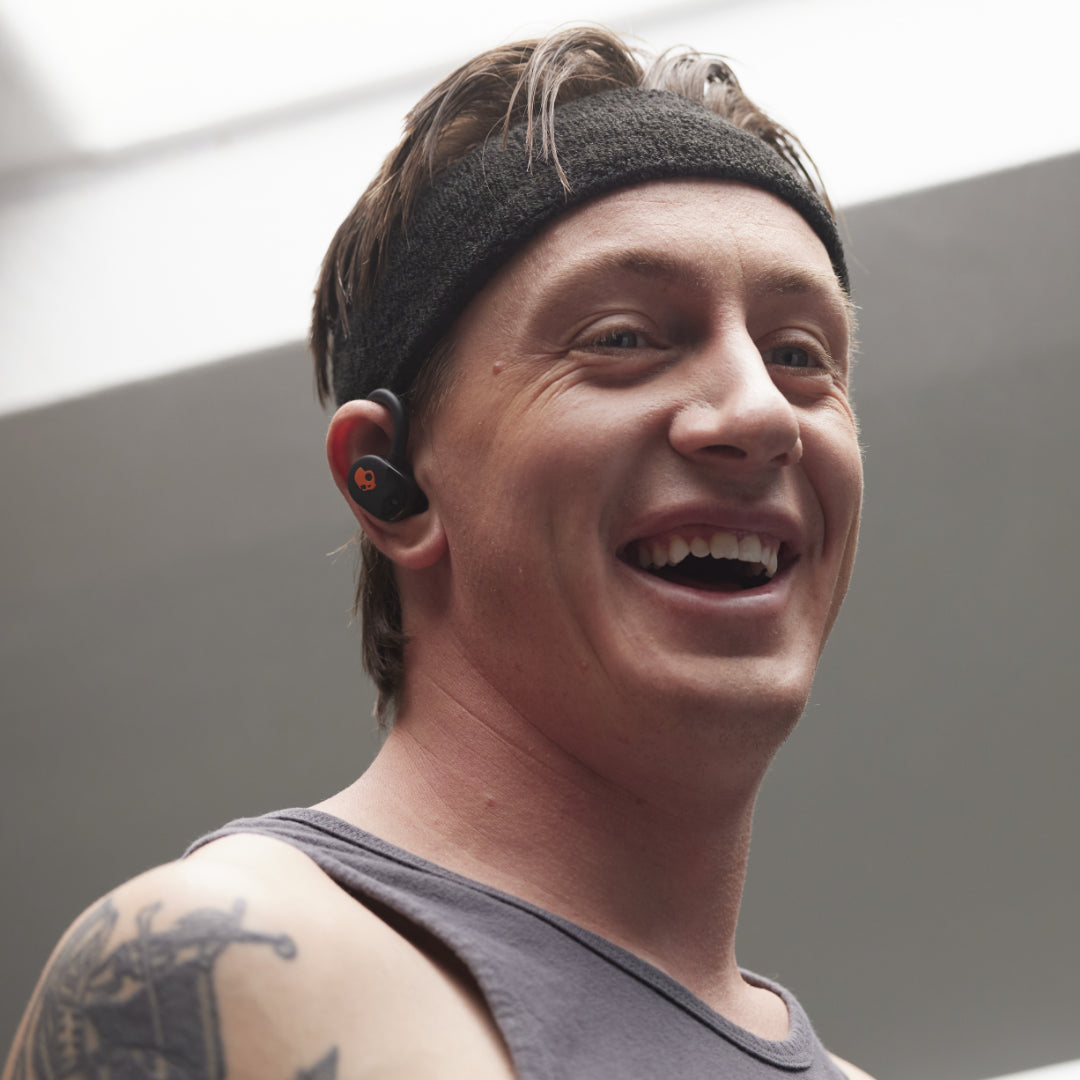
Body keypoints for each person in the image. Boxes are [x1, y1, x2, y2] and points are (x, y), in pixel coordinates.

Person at [4, 26, 873, 1080]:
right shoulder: (221, 965)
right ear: (393, 480)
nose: (761, 413)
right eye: (621, 338)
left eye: (800, 355)